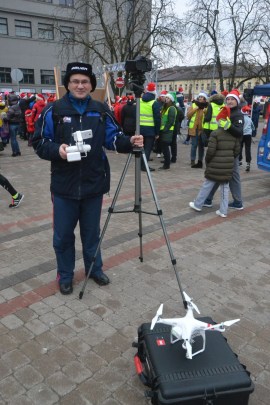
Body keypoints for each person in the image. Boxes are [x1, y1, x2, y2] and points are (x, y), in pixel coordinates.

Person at [32, 62, 143, 295]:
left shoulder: (101, 110)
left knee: (91, 233)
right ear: (68, 84)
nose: (80, 85)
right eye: (75, 81)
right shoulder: (54, 110)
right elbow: (39, 143)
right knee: (63, 235)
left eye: (85, 81)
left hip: (93, 184)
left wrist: (129, 142)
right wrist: (57, 150)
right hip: (64, 186)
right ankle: (65, 274)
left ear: (91, 84)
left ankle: (94, 268)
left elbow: (114, 139)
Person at [189, 105, 240, 218]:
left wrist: (208, 161)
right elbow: (237, 151)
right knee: (224, 189)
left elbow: (210, 152)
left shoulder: (215, 134)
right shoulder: (234, 135)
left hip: (214, 165)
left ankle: (198, 204)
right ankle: (223, 211)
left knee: (207, 185)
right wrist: (230, 158)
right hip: (227, 166)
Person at [204, 89, 244, 210]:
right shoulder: (227, 111)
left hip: (232, 151)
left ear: (237, 101)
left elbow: (239, 132)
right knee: (220, 173)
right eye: (228, 99)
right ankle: (208, 199)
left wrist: (228, 125)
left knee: (229, 175)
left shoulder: (237, 115)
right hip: (224, 149)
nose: (230, 101)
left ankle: (237, 202)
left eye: (232, 99)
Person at [139, 82, 161, 171]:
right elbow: (157, 119)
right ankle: (144, 166)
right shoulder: (154, 103)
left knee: (140, 147)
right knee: (147, 149)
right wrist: (157, 132)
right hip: (150, 130)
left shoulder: (139, 100)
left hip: (140, 128)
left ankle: (140, 164)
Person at [187, 92, 208, 168]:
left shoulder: (207, 107)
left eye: (202, 97)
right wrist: (195, 109)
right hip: (194, 128)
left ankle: (200, 161)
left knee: (201, 146)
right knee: (194, 145)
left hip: (202, 130)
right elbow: (188, 116)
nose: (200, 98)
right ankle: (192, 160)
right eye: (199, 97)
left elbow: (208, 117)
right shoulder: (194, 105)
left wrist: (206, 112)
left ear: (205, 99)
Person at [158, 93, 177, 170]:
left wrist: (165, 129)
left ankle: (167, 164)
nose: (166, 99)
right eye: (166, 98)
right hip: (164, 130)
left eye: (168, 98)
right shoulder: (165, 108)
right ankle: (166, 161)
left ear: (171, 100)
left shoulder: (172, 108)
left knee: (165, 147)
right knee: (164, 147)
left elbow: (170, 121)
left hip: (168, 131)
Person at [239, 105, 255, 172]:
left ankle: (239, 160)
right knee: (248, 148)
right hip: (248, 135)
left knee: (240, 147)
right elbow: (253, 128)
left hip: (241, 135)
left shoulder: (240, 119)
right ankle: (248, 163)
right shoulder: (249, 119)